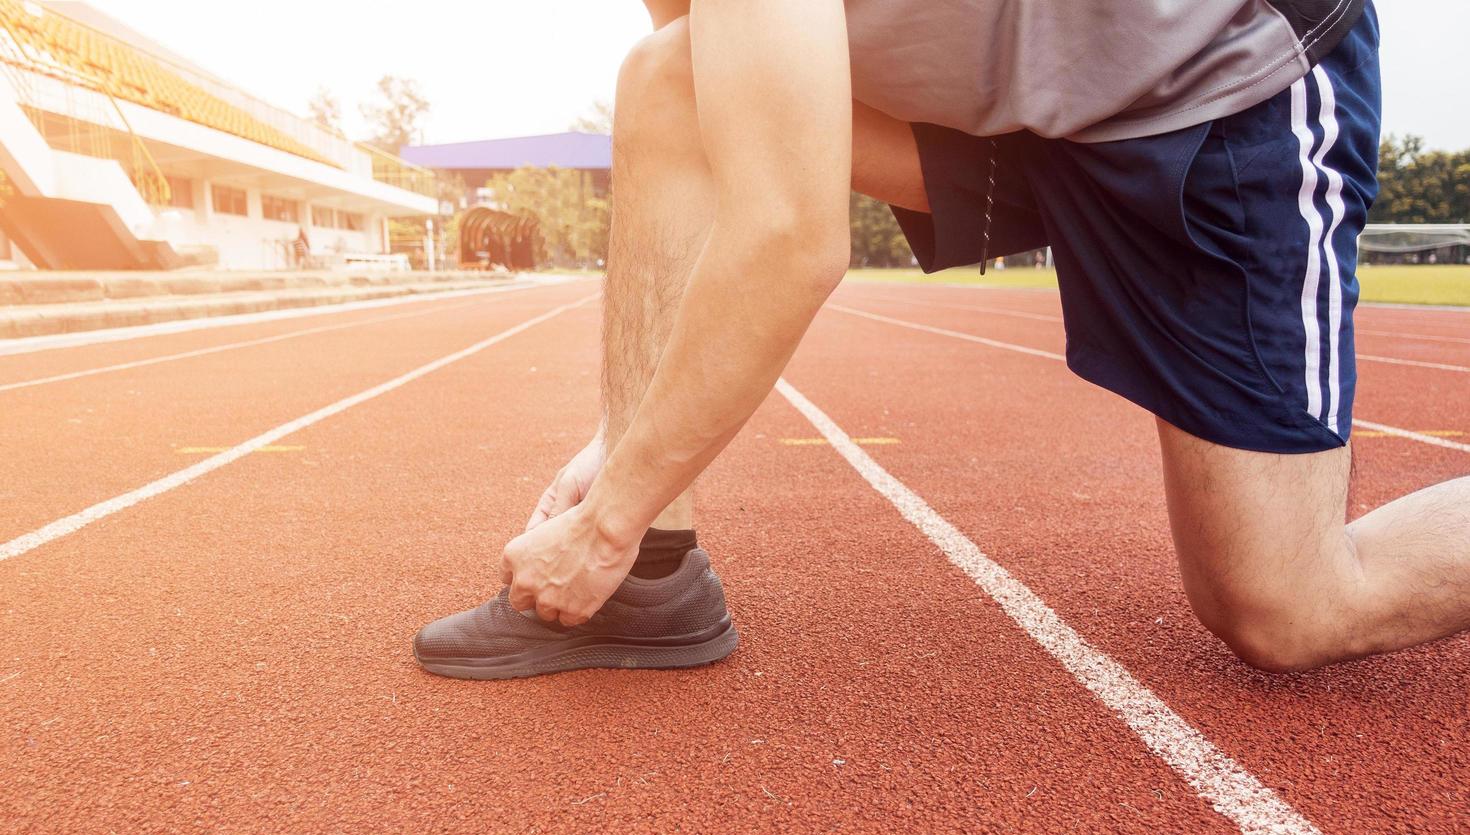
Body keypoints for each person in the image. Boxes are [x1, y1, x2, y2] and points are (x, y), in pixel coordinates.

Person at [413, 0, 1470, 680]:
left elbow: (787, 233)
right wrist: (627, 460)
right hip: (1014, 112)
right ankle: (651, 577)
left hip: (1214, 91)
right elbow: (755, 127)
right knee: (673, 77)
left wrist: (598, 518)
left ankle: (617, 550)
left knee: (1287, 606)